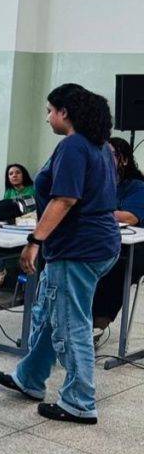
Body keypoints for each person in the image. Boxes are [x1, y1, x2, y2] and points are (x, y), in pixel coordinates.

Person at [0, 85, 120, 424]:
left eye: (50, 110)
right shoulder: (101, 147)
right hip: (97, 244)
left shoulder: (75, 147)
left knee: (70, 324)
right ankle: (30, 378)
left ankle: (79, 401)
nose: (47, 117)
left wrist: (35, 240)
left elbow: (64, 199)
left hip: (78, 249)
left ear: (65, 112)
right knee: (51, 314)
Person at [91, 137, 144, 339]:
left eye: (110, 154)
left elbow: (131, 217)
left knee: (113, 267)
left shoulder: (137, 186)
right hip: (104, 241)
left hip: (135, 248)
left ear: (124, 160)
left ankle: (98, 321)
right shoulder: (98, 183)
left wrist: (95, 211)